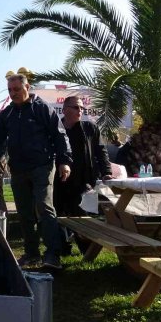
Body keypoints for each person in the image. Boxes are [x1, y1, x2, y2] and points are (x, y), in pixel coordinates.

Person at [0, 68, 72, 269]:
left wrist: (64, 161)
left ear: (27, 87)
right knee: (23, 212)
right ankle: (31, 253)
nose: (12, 93)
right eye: (9, 90)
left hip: (42, 166)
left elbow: (59, 135)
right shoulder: (7, 113)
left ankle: (52, 254)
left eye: (16, 89)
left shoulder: (42, 108)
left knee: (44, 208)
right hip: (18, 169)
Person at [53, 96, 112, 256]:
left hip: (85, 181)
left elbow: (101, 151)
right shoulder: (56, 128)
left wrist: (106, 172)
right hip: (61, 181)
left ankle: (87, 252)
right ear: (65, 109)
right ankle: (62, 249)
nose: (80, 111)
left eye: (81, 108)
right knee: (59, 215)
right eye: (76, 107)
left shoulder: (90, 128)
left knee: (84, 216)